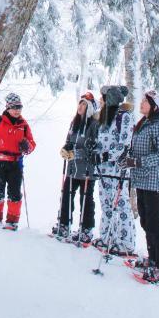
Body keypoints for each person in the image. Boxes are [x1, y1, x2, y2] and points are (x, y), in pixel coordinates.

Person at [119, 89, 159, 282]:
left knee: (155, 223)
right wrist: (127, 158)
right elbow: (136, 148)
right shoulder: (143, 124)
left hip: (154, 183)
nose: (142, 103)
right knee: (146, 222)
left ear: (154, 107)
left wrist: (136, 162)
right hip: (141, 181)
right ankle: (153, 260)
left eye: (146, 101)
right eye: (143, 100)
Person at [0, 93, 36, 230]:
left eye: (20, 107)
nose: (17, 110)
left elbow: (32, 144)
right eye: (15, 107)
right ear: (8, 107)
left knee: (14, 193)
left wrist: (27, 146)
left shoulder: (24, 125)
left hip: (16, 163)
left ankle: (12, 222)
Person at [93, 85, 135, 256]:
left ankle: (126, 242)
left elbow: (124, 143)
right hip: (102, 170)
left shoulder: (125, 116)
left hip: (118, 169)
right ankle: (106, 237)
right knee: (106, 203)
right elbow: (101, 141)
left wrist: (107, 156)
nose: (101, 100)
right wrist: (94, 151)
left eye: (103, 97)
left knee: (121, 204)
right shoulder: (105, 117)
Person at [53, 92, 99, 243]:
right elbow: (69, 140)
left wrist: (75, 153)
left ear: (90, 108)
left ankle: (86, 229)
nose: (80, 106)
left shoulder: (94, 125)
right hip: (72, 169)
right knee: (66, 195)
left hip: (87, 170)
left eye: (84, 104)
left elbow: (92, 148)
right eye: (80, 103)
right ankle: (64, 224)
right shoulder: (75, 123)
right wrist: (65, 149)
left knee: (86, 199)